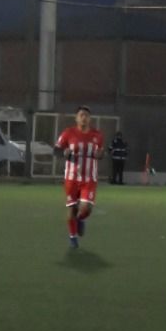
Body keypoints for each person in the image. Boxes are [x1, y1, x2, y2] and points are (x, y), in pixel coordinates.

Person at [53, 106, 105, 248]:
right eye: (81, 115)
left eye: (86, 115)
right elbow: (56, 150)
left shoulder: (98, 135)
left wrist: (99, 155)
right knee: (72, 209)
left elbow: (101, 153)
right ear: (76, 118)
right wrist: (64, 152)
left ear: (90, 119)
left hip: (89, 178)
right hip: (72, 178)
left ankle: (81, 220)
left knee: (86, 208)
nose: (84, 117)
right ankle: (73, 237)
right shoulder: (68, 133)